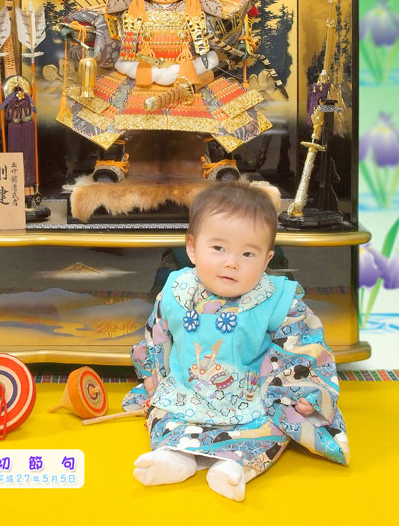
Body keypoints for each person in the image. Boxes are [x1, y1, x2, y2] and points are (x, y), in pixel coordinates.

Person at [123, 179, 350, 501]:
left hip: (251, 395)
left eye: (247, 253)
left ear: (266, 260)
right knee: (164, 415)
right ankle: (174, 456)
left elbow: (304, 345)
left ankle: (235, 465)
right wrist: (152, 374)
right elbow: (157, 333)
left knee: (271, 427)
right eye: (218, 248)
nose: (231, 262)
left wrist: (302, 390)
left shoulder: (275, 299)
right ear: (192, 248)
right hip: (187, 391)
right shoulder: (178, 290)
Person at [58, 0, 278, 183]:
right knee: (112, 115)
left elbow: (221, 43)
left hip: (190, 75)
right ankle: (111, 161)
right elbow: (111, 39)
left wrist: (240, 46)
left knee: (218, 115)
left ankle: (219, 162)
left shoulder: (201, 9)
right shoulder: (125, 9)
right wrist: (82, 35)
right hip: (139, 75)